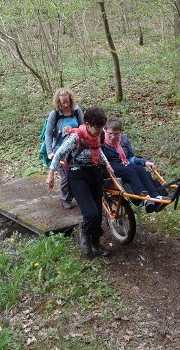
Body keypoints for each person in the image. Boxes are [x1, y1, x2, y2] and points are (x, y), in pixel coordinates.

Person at [46, 107, 113, 258]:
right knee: (90, 213)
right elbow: (58, 155)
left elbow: (98, 149)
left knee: (98, 213)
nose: (100, 131)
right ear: (88, 124)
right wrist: (50, 175)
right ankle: (85, 237)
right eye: (97, 128)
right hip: (77, 175)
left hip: (94, 173)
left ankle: (96, 243)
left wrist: (107, 163)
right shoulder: (76, 138)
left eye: (102, 127)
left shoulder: (96, 135)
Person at [102, 117, 170, 213]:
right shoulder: (101, 141)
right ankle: (144, 198)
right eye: (110, 134)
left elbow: (130, 158)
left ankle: (155, 196)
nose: (113, 137)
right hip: (109, 167)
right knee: (129, 171)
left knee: (140, 170)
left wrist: (144, 162)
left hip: (124, 164)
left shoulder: (123, 140)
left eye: (116, 134)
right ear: (105, 130)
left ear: (120, 132)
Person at [44, 88, 84, 210]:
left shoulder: (76, 110)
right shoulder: (55, 114)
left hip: (75, 148)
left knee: (76, 173)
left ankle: (77, 196)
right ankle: (65, 199)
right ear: (58, 102)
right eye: (63, 102)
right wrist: (49, 151)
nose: (66, 104)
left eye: (67, 101)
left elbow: (83, 128)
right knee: (66, 176)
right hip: (58, 150)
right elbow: (48, 133)